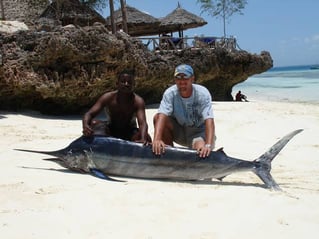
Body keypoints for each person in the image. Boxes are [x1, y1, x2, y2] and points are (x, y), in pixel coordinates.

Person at [152, 64, 216, 158]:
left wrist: (208, 145)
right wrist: (156, 139)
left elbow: (209, 121)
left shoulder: (202, 93)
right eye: (178, 78)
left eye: (185, 77)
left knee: (200, 152)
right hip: (181, 130)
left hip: (199, 133)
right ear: (175, 80)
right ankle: (169, 155)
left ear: (192, 79)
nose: (182, 81)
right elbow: (162, 115)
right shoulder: (170, 93)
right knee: (157, 117)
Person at [82, 69, 152, 144]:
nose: (126, 84)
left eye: (129, 82)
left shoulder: (138, 101)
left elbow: (142, 123)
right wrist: (85, 126)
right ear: (117, 83)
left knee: (146, 137)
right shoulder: (108, 97)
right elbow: (89, 114)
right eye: (123, 81)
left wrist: (143, 138)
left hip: (129, 132)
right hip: (111, 129)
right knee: (94, 123)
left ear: (133, 85)